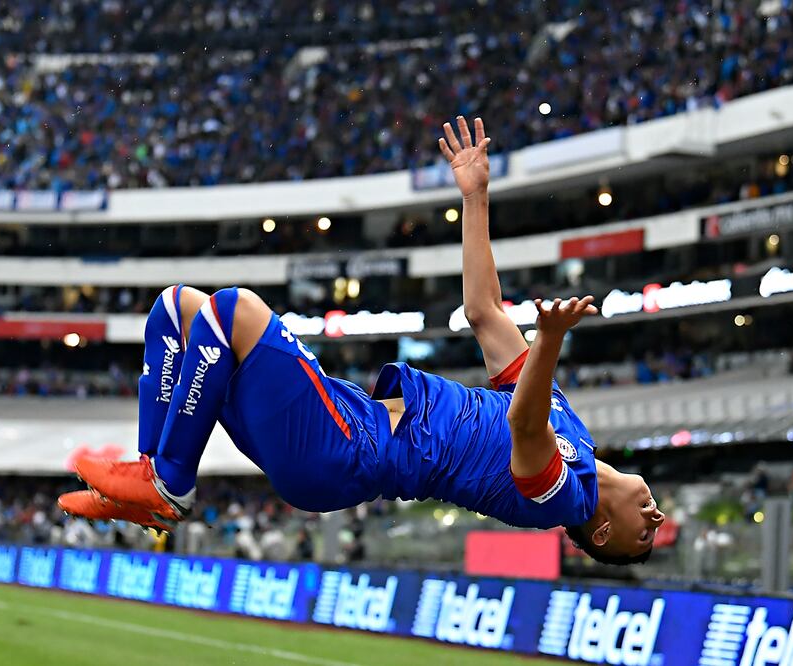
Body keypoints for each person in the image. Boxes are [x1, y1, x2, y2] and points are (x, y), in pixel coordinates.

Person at [59, 117, 664, 564]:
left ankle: (168, 484)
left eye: (646, 532)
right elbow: (482, 312)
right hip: (353, 420)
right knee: (175, 311)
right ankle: (148, 478)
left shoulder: (565, 500)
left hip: (349, 451)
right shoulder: (577, 435)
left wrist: (551, 342)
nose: (657, 516)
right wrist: (475, 197)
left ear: (602, 534)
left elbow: (525, 431)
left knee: (233, 311)